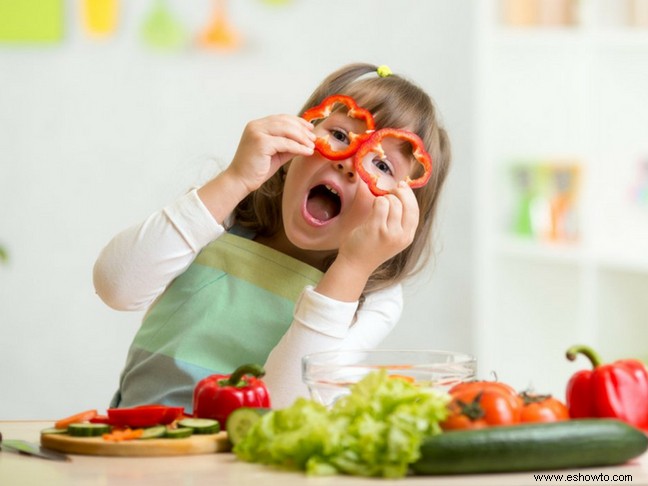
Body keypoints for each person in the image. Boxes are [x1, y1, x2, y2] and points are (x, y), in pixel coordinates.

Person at [93, 62, 451, 411]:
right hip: (133, 445)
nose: (349, 162)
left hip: (245, 467)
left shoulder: (375, 297)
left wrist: (353, 268)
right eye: (339, 135)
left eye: (382, 165)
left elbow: (285, 406)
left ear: (403, 210)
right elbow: (116, 287)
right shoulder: (224, 213)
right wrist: (234, 179)